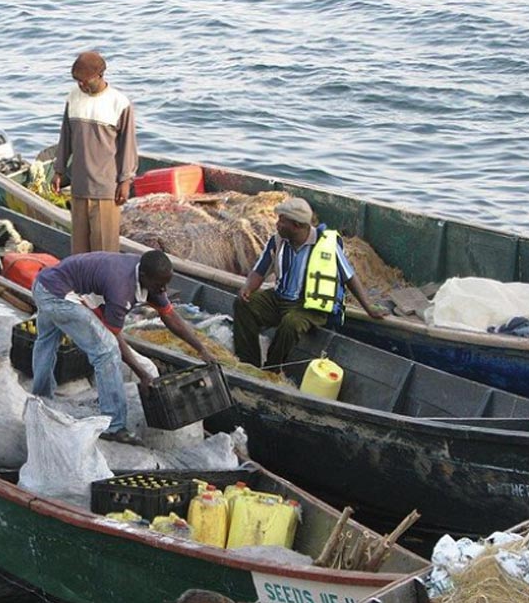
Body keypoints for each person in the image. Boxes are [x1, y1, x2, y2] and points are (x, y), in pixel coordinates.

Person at [31, 249, 214, 444]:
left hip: (44, 284)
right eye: (159, 285)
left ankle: (41, 399)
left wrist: (200, 348)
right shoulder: (122, 289)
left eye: (166, 285)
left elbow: (169, 316)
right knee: (106, 351)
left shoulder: (150, 276)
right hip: (57, 296)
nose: (163, 290)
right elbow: (113, 339)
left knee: (46, 342)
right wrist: (143, 374)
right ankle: (114, 425)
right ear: (143, 276)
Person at [233, 197, 385, 370]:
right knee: (243, 304)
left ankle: (271, 369)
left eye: (282, 221)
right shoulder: (278, 241)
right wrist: (248, 287)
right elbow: (259, 271)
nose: (277, 224)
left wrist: (369, 308)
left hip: (310, 307)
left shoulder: (327, 245)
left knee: (290, 324)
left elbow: (349, 277)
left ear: (297, 225)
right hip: (279, 298)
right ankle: (248, 365)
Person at [51, 51, 138, 255]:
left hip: (106, 189)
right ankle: (82, 287)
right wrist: (59, 170)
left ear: (100, 75)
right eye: (77, 81)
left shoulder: (119, 103)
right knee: (79, 253)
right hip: (79, 186)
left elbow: (128, 145)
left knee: (104, 251)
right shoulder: (73, 98)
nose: (81, 85)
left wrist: (125, 181)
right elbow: (65, 138)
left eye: (84, 81)